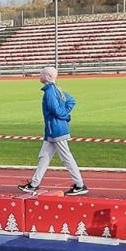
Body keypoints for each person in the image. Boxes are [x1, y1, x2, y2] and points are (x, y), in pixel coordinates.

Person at [18, 65, 88, 196]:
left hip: (56, 130)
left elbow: (55, 109)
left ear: (48, 76)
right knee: (44, 156)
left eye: (41, 74)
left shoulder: (50, 91)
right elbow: (71, 101)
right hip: (52, 130)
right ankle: (34, 184)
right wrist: (65, 114)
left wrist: (65, 116)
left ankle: (80, 185)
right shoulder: (57, 89)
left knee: (66, 157)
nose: (39, 75)